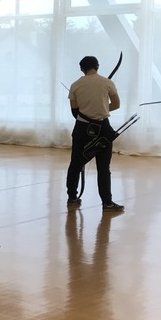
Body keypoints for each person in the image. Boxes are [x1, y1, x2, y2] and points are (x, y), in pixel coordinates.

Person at [65, 56, 124, 212]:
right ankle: (107, 203)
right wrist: (103, 109)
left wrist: (89, 113)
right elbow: (117, 104)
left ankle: (72, 198)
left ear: (81, 69)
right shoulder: (107, 82)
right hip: (103, 127)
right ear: (97, 66)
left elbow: (74, 111)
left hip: (82, 128)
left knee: (76, 163)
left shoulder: (75, 85)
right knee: (104, 167)